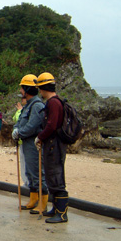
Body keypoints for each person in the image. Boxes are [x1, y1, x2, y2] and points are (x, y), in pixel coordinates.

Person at [35, 72, 69, 223]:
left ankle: (61, 214)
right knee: (51, 176)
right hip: (52, 145)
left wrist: (40, 136)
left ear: (43, 88)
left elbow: (51, 125)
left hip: (54, 146)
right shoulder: (54, 102)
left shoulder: (54, 103)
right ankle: (55, 209)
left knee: (55, 177)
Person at [12, 75, 47, 213]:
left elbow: (32, 125)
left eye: (22, 88)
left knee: (37, 172)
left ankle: (43, 202)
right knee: (29, 172)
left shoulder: (37, 105)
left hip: (33, 143)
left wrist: (20, 132)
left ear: (27, 89)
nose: (20, 91)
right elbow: (21, 119)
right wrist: (16, 128)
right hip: (26, 143)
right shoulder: (28, 105)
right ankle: (33, 199)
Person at [13, 95, 29, 187]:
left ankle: (28, 183)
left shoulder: (26, 110)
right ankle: (26, 182)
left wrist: (19, 110)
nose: (21, 100)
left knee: (26, 163)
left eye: (23, 98)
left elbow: (19, 119)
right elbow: (15, 119)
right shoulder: (24, 109)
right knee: (23, 163)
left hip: (25, 141)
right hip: (21, 141)